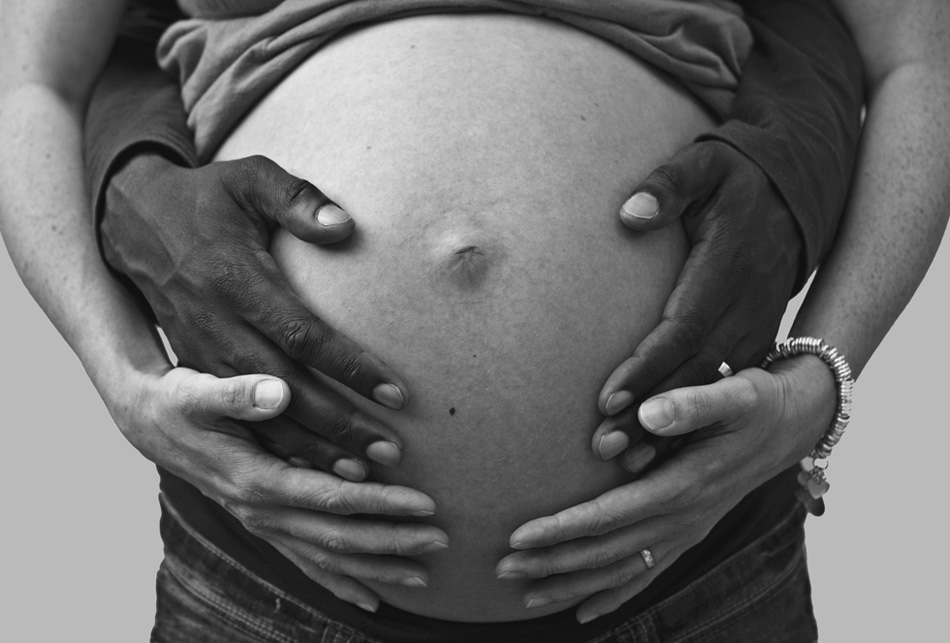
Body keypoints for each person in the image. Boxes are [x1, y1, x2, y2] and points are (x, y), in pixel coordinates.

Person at [0, 2, 946, 643]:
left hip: (699, 575)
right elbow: (33, 80)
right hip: (266, 578)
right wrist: (123, 378)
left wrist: (817, 387)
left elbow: (918, 60)